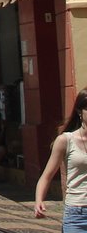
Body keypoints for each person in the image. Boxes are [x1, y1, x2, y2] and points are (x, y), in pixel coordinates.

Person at [35, 87, 87, 229]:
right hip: (77, 214)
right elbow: (47, 175)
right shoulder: (65, 140)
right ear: (79, 112)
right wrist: (39, 200)